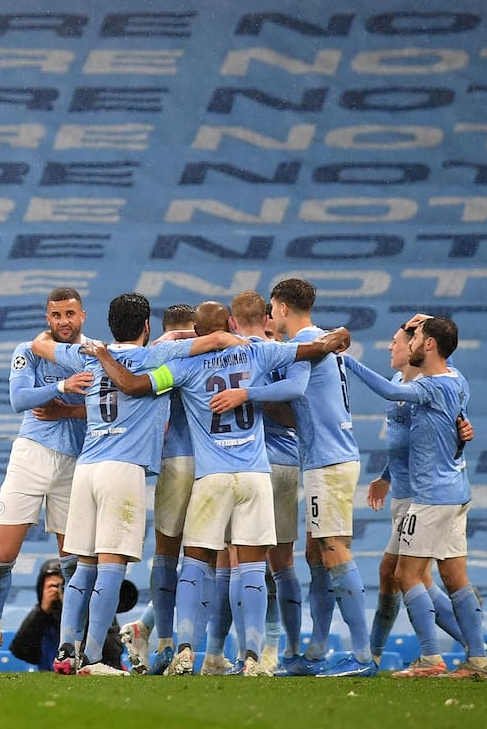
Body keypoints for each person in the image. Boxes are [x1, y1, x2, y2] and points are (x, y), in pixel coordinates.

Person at [88, 301, 348, 677]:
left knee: (192, 562)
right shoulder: (256, 352)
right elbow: (318, 348)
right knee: (253, 568)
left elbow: (135, 385)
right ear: (229, 323)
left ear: (196, 332)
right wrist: (339, 336)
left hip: (208, 476)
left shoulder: (182, 365)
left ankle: (182, 649)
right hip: (255, 476)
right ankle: (254, 657)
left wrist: (102, 354)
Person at [30, 292, 244, 676]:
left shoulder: (89, 355)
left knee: (83, 567)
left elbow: (39, 345)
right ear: (146, 326)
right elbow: (214, 340)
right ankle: (94, 658)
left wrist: (90, 346)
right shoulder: (153, 357)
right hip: (122, 470)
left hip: (87, 467)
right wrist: (194, 339)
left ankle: (66, 650)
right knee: (112, 567)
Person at [341, 316, 487, 679]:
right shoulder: (456, 379)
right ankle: (479, 658)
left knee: (405, 574)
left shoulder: (431, 385)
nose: (401, 346)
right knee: (453, 576)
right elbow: (441, 357)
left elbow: (392, 392)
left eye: (411, 339)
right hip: (455, 492)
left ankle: (430, 658)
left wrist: (344, 359)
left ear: (427, 345)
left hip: (430, 496)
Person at [0, 287, 94, 672]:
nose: (64, 322)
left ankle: (70, 643)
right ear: (48, 318)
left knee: (72, 560)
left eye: (70, 314)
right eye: (56, 315)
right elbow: (19, 399)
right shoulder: (27, 349)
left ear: (82, 316)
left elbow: (109, 405)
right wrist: (61, 387)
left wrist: (69, 411)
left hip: (74, 462)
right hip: (31, 455)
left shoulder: (95, 353)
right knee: (3, 555)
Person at [268, 277, 375, 677]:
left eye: (272, 309)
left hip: (329, 460)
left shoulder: (308, 346)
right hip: (328, 457)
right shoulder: (325, 342)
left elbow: (288, 396)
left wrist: (247, 393)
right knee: (316, 553)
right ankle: (313, 653)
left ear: (281, 308)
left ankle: (362, 656)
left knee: (332, 549)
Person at [206, 291, 306, 672]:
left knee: (234, 564)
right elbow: (301, 411)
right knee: (282, 566)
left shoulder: (224, 355)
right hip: (285, 464)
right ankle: (281, 653)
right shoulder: (282, 352)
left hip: (243, 463)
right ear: (266, 316)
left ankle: (233, 653)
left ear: (232, 321)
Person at [366, 315, 472, 666]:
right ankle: (473, 647)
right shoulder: (402, 379)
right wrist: (385, 475)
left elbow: (439, 431)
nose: (393, 346)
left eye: (398, 341)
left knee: (410, 574)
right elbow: (403, 443)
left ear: (417, 344)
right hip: (405, 491)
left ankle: (401, 655)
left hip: (422, 494)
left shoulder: (424, 387)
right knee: (396, 573)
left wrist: (461, 432)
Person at [120, 303, 198, 675]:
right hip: (190, 462)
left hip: (200, 464)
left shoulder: (155, 355)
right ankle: (172, 646)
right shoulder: (196, 354)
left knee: (192, 557)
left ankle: (152, 631)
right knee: (191, 556)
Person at [10, 558, 126, 671]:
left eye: (68, 587)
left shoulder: (97, 612)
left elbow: (114, 652)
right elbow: (20, 651)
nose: (61, 590)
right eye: (52, 586)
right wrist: (41, 612)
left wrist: (77, 608)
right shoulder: (42, 617)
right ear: (41, 589)